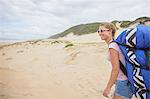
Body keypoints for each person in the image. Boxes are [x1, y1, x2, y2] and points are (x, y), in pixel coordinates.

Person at [97, 22, 133, 99]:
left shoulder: (112, 47)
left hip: (123, 81)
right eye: (98, 31)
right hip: (124, 80)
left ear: (110, 31)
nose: (100, 33)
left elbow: (115, 69)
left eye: (102, 31)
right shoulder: (115, 44)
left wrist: (108, 88)